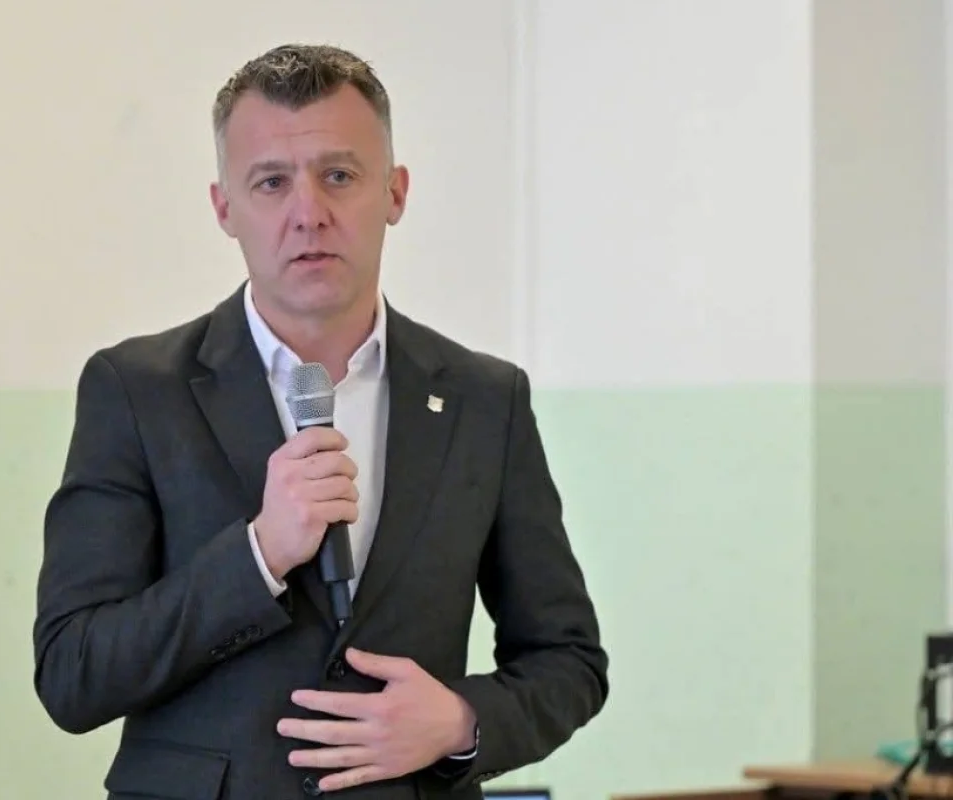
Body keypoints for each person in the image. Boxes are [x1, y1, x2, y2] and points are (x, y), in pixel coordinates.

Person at [32, 43, 608, 799]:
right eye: (271, 182)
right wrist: (260, 554)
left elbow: (568, 660)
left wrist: (461, 722)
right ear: (225, 208)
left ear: (395, 192)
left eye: (339, 175)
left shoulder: (484, 399)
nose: (309, 213)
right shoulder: (137, 391)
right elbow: (74, 673)